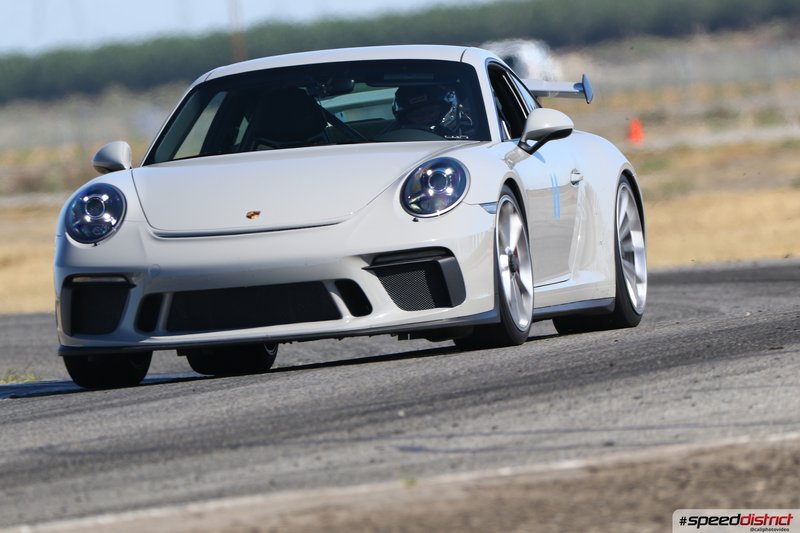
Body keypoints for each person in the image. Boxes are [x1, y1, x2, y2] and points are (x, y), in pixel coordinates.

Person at [392, 85, 471, 137]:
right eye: (417, 115)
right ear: (406, 119)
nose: (426, 118)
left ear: (443, 111)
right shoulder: (393, 136)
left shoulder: (468, 132)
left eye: (431, 112)